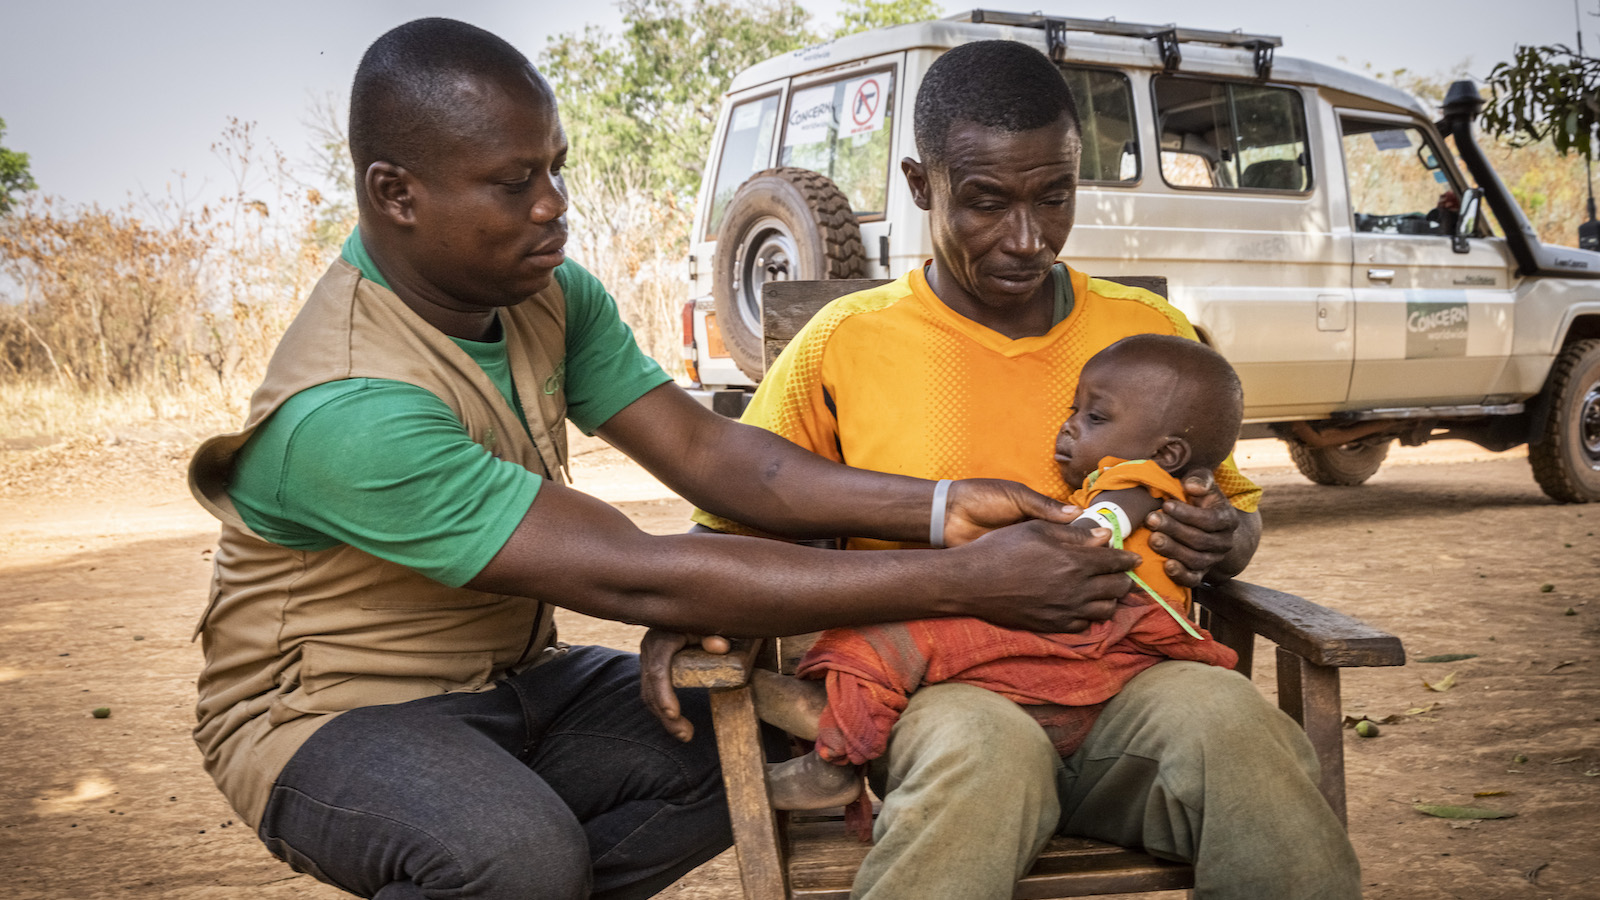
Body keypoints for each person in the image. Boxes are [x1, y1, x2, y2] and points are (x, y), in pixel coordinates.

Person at [185, 20, 1151, 900]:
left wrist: (944, 507)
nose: (552, 207)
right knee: (511, 859)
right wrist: (969, 578)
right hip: (326, 717)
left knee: (770, 730)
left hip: (519, 680)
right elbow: (638, 575)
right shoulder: (351, 412)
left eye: (555, 168)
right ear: (396, 193)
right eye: (512, 182)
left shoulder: (547, 295)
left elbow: (718, 455)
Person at [680, 39, 1360, 900]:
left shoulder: (1146, 333)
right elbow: (729, 523)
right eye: (987, 203)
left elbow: (1234, 513)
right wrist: (691, 615)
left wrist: (1223, 539)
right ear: (923, 185)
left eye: (1055, 196)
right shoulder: (845, 343)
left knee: (1242, 734)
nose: (1027, 238)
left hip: (1131, 686)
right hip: (948, 698)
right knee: (982, 755)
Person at [759, 334, 1246, 818]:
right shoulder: (841, 332)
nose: (1069, 427)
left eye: (1094, 418)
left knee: (900, 634)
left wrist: (1057, 544)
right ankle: (835, 724)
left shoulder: (1136, 481)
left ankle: (831, 735)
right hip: (1089, 631)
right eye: (1074, 410)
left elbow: (1099, 531)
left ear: (1168, 456)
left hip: (1098, 626)